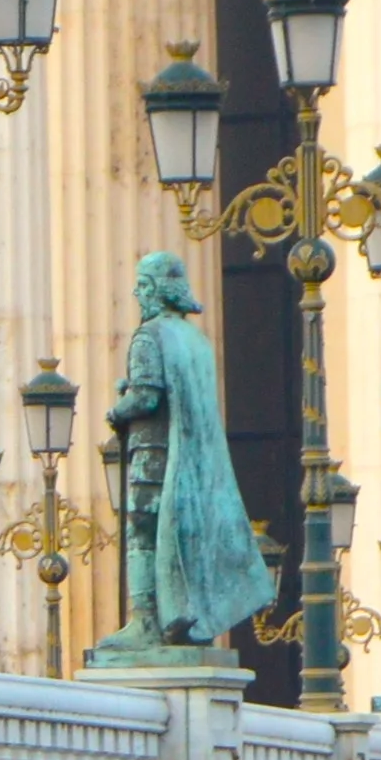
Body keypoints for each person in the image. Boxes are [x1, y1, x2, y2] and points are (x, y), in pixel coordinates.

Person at [96, 251, 270, 659]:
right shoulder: (197, 340)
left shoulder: (149, 336)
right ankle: (186, 617)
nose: (137, 294)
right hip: (192, 458)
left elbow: (146, 396)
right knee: (182, 538)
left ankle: (144, 620)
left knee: (143, 532)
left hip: (153, 454)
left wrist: (116, 410)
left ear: (156, 290)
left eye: (142, 285)